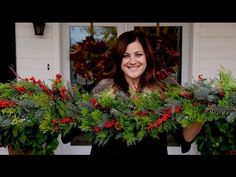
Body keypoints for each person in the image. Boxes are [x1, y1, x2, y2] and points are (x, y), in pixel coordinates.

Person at [89, 30, 203, 157]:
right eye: (125, 55)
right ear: (118, 59)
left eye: (138, 54)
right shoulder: (102, 89)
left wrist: (199, 112)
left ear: (147, 56)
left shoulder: (162, 92)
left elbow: (185, 137)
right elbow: (78, 125)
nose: (132, 61)